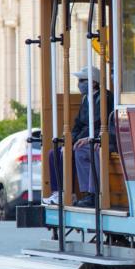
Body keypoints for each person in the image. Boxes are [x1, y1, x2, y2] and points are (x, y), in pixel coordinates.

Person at [44, 66, 102, 207]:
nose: (79, 84)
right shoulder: (85, 99)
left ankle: (89, 194)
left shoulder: (102, 98)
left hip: (94, 138)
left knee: (79, 151)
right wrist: (68, 142)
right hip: (83, 138)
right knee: (53, 153)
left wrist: (75, 142)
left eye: (82, 80)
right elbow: (78, 124)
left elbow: (96, 123)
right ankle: (60, 192)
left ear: (93, 82)